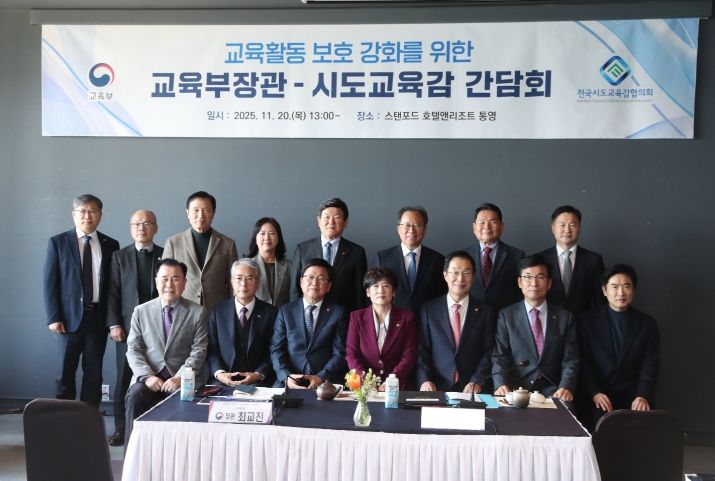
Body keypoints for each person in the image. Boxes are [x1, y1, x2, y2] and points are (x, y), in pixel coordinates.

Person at [43, 194, 119, 407]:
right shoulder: (58, 242)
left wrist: (112, 321)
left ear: (100, 215)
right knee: (64, 374)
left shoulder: (110, 244)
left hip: (97, 318)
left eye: (93, 211)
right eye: (83, 211)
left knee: (94, 375)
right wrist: (53, 317)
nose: (88, 216)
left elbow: (113, 286)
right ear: (74, 214)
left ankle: (89, 420)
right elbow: (50, 283)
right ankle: (62, 421)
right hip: (67, 320)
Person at [124, 258, 208, 443]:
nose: (169, 284)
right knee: (135, 397)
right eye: (164, 278)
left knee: (185, 401)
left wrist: (180, 377)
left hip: (182, 379)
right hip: (148, 378)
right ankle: (132, 453)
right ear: (156, 281)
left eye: (175, 279)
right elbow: (133, 349)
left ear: (184, 283)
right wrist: (147, 376)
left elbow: (199, 350)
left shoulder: (198, 312)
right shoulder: (141, 311)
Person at [105, 209, 163, 446]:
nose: (142, 228)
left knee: (157, 374)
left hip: (159, 329)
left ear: (155, 228)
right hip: (127, 329)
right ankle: (121, 428)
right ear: (131, 228)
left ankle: (153, 426)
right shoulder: (120, 256)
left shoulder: (165, 254)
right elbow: (112, 292)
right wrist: (114, 324)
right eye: (137, 224)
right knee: (123, 379)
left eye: (147, 223)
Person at [578, 264, 659, 429]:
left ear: (633, 290)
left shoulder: (647, 324)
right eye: (615, 287)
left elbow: (650, 364)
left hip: (634, 398)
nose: (621, 293)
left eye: (626, 286)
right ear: (604, 290)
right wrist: (595, 392)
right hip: (598, 397)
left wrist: (643, 395)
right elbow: (584, 362)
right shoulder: (587, 321)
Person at [492, 255, 579, 400]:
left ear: (549, 283)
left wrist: (566, 386)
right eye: (528, 277)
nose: (534, 283)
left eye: (540, 277)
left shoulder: (565, 318)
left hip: (554, 390)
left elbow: (571, 359)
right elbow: (500, 356)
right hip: (516, 389)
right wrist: (501, 384)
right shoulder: (506, 316)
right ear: (520, 282)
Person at [416, 251, 495, 393]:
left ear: (473, 277)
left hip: (471, 388)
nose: (460, 279)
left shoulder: (485, 312)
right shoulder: (429, 310)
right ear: (445, 275)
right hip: (436, 387)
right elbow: (422, 350)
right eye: (455, 272)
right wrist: (425, 380)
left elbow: (488, 351)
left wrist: (477, 381)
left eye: (466, 273)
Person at [271, 258, 348, 389]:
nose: (315, 283)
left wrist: (320, 377)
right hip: (291, 377)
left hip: (325, 380)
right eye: (310, 277)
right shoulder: (285, 311)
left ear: (329, 286)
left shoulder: (339, 313)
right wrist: (286, 377)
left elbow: (339, 353)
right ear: (301, 282)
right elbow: (276, 349)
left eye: (321, 278)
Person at [207, 258, 278, 387]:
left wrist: (258, 374)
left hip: (258, 381)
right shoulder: (217, 311)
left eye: (249, 278)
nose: (243, 284)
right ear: (231, 281)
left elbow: (273, 350)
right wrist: (220, 374)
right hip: (223, 380)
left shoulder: (271, 313)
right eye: (239, 278)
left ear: (257, 282)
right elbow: (211, 349)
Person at [163, 191, 238, 311]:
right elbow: (165, 280)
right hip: (183, 309)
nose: (201, 215)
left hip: (218, 309)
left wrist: (233, 309)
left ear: (213, 213)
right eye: (196, 210)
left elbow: (233, 281)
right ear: (187, 213)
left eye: (206, 210)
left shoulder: (228, 244)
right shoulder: (173, 243)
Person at [345, 267, 417, 390]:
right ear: (368, 292)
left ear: (394, 292)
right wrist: (366, 381)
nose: (381, 290)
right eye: (375, 286)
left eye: (386, 286)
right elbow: (351, 354)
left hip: (397, 386)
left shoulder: (407, 318)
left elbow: (409, 355)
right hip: (365, 387)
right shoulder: (356, 317)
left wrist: (392, 380)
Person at [290, 198, 367, 312]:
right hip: (308, 314)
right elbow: (294, 289)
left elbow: (360, 293)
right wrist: (295, 315)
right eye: (327, 217)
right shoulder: (303, 249)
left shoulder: (357, 252)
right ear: (318, 221)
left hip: (343, 315)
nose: (331, 222)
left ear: (345, 222)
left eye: (337, 217)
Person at [373, 206, 446, 312]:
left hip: (427, 319)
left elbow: (442, 296)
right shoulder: (382, 258)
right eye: (407, 225)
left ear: (425, 229)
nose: (411, 230)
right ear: (398, 229)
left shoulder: (438, 260)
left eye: (417, 225)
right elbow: (373, 293)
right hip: (392, 318)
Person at [537, 205, 605, 315]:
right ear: (553, 228)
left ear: (579, 228)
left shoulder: (594, 260)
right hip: (548, 320)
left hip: (583, 321)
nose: (567, 230)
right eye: (562, 225)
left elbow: (599, 299)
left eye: (572, 225)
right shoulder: (540, 259)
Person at [465, 203, 525, 311]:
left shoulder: (517, 256)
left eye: (492, 222)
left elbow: (521, 291)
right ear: (474, 227)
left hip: (504, 316)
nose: (486, 227)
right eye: (482, 222)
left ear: (501, 227)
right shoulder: (464, 256)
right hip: (471, 315)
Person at [247, 217, 292, 308]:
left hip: (283, 315)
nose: (267, 237)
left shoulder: (290, 266)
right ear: (255, 239)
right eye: (262, 233)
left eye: (271, 233)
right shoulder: (247, 266)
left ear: (278, 238)